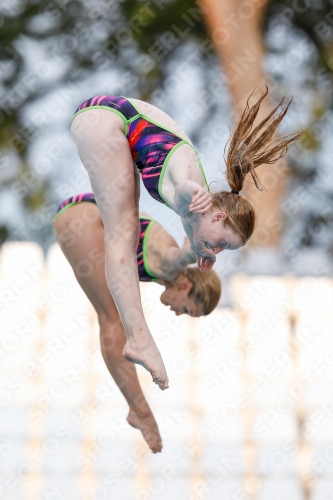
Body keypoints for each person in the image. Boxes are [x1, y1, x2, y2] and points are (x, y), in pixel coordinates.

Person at [70, 86, 303, 389]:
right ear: (218, 216)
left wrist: (199, 248)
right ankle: (140, 340)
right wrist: (190, 191)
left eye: (222, 250)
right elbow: (182, 187)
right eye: (221, 242)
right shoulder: (194, 194)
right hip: (105, 119)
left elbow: (193, 230)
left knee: (126, 222)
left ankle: (139, 340)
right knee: (122, 234)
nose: (217, 251)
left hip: (110, 122)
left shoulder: (199, 215)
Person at [52, 194, 221, 453]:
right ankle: (140, 411)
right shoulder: (170, 264)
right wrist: (195, 249)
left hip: (81, 214)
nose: (177, 313)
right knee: (113, 321)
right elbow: (176, 257)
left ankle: (138, 408)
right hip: (83, 218)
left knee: (114, 318)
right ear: (187, 286)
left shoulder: (163, 269)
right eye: (186, 309)